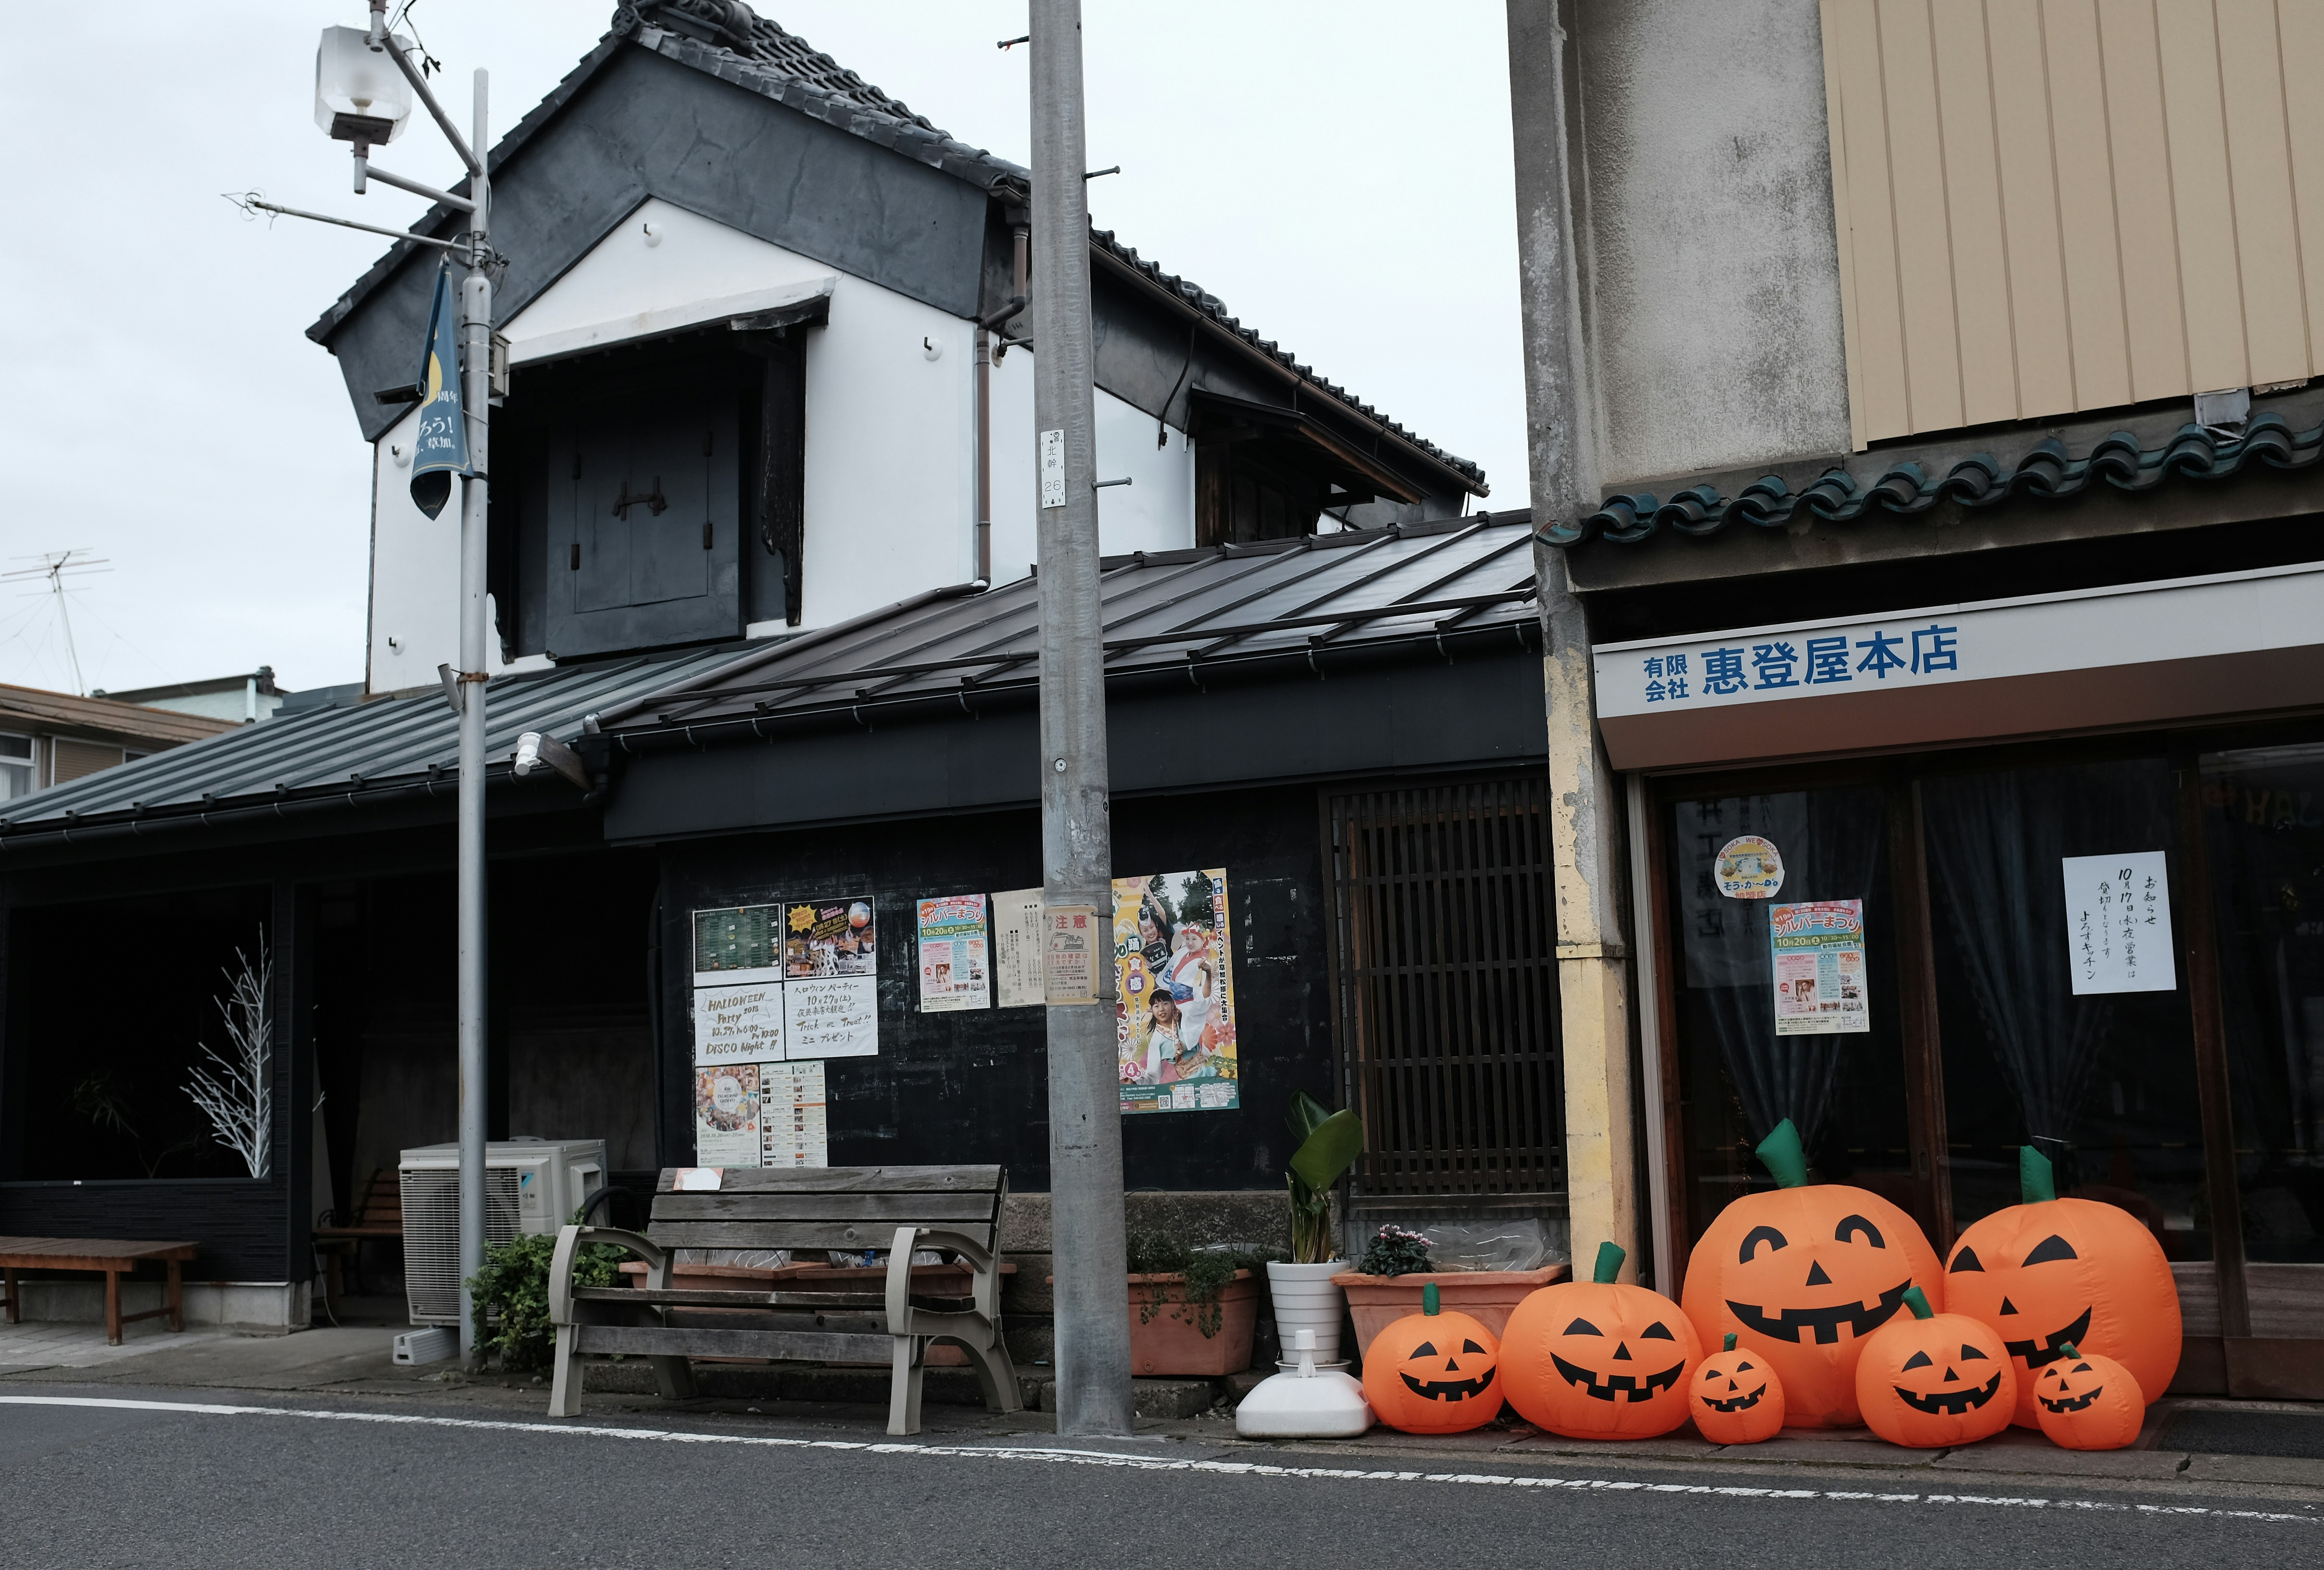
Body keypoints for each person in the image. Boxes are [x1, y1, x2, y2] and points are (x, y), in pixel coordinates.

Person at [1166, 922, 1216, 1052]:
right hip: (1174, 1004)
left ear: (1203, 940)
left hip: (1187, 1008)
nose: (1190, 943)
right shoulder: (1184, 953)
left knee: (1183, 1044)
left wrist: (1187, 1009)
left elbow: (1203, 995)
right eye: (1188, 939)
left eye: (1194, 939)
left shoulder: (1203, 962)